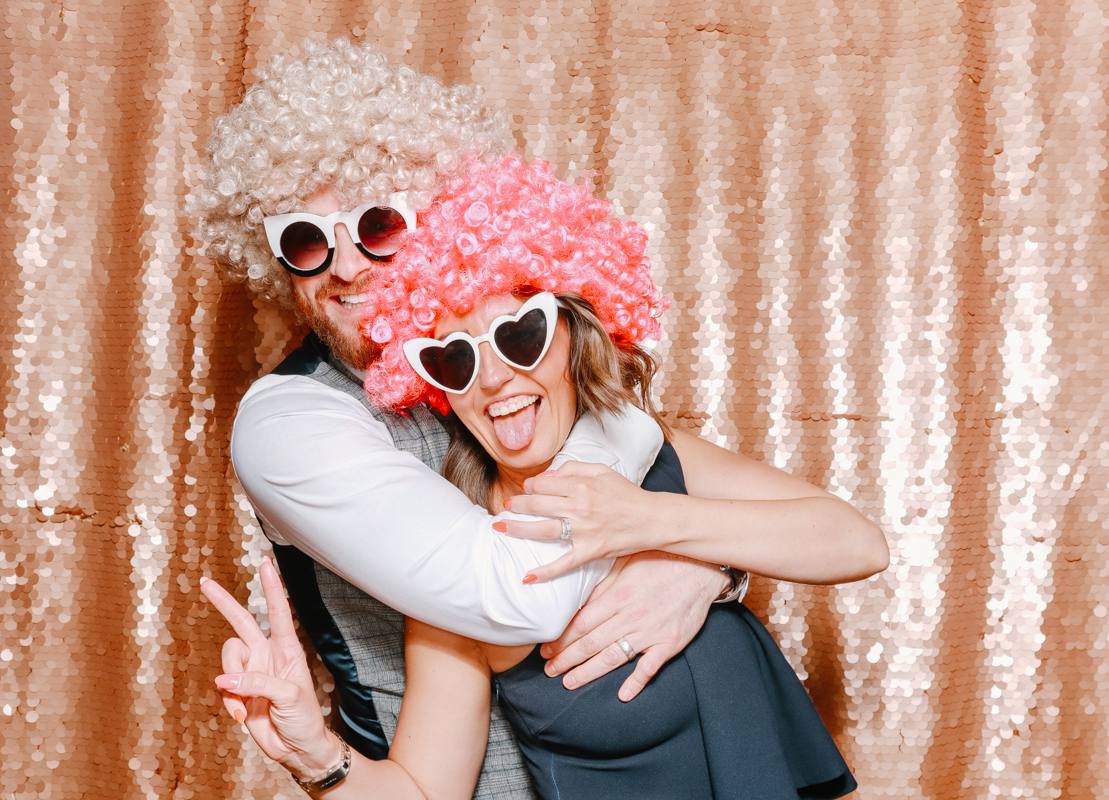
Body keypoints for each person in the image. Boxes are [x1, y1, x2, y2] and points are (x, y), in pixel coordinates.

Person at [188, 39, 841, 799]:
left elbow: (826, 531)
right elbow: (515, 591)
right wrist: (315, 754)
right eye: (303, 240)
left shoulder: (512, 380)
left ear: (436, 220)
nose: (344, 265)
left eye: (378, 225)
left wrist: (704, 565)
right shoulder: (293, 422)